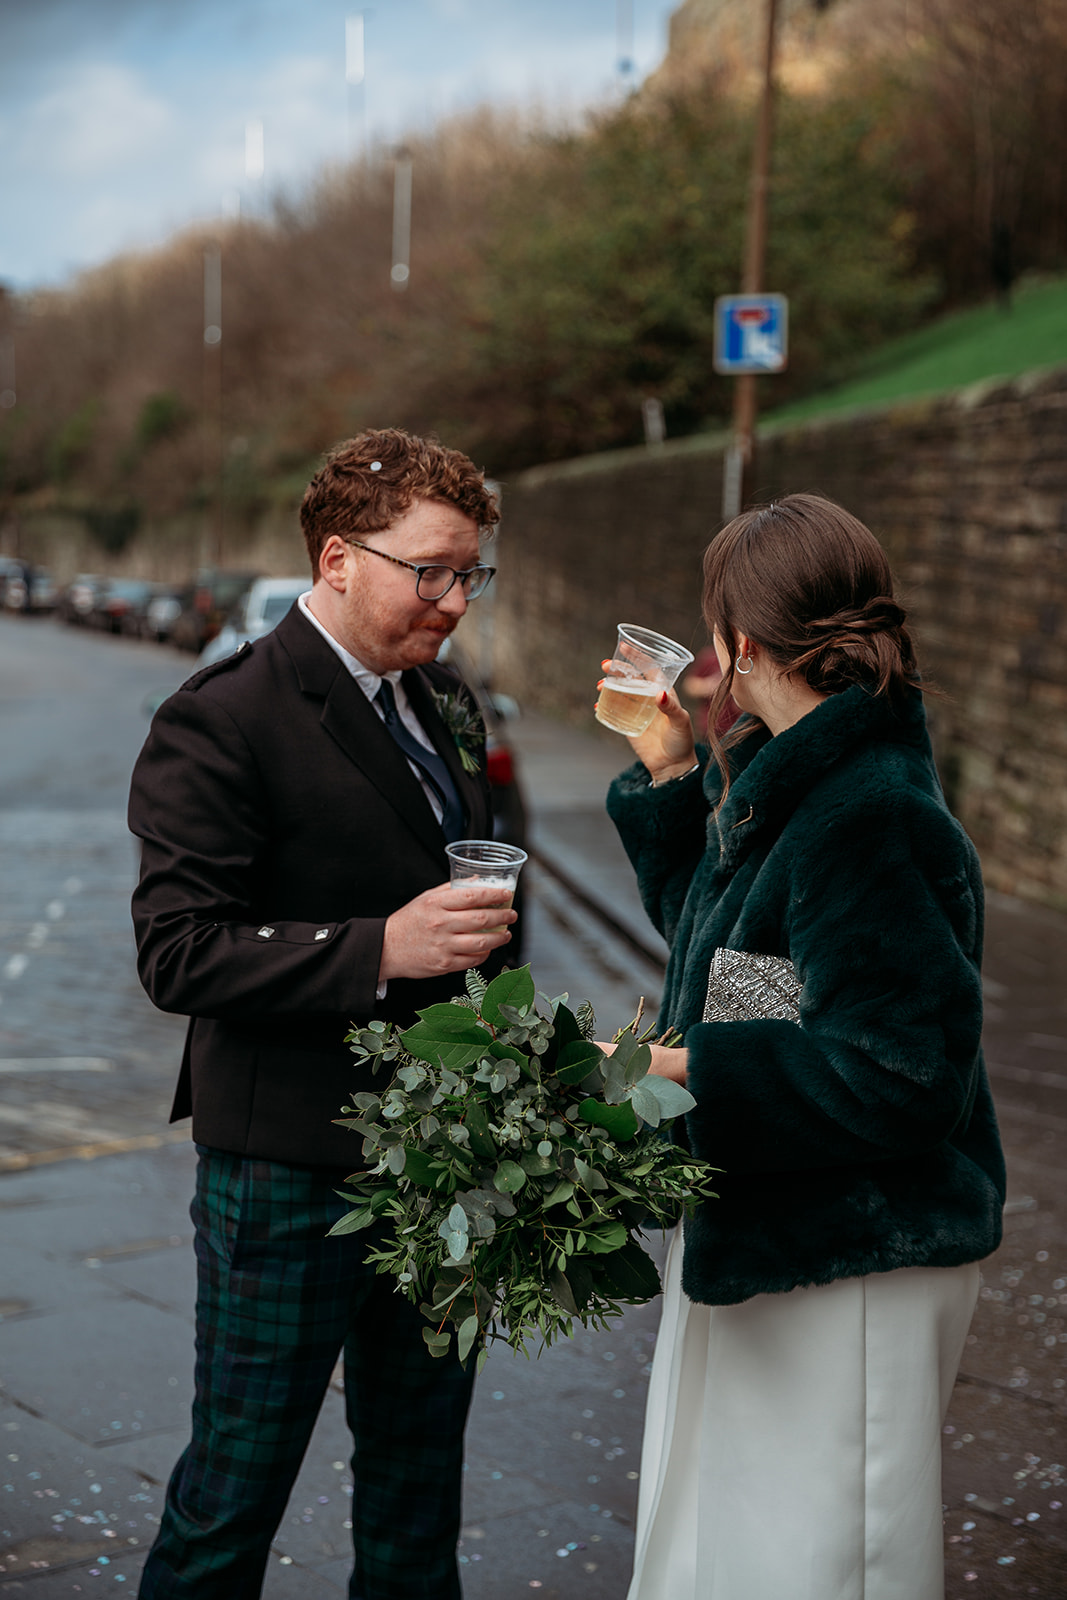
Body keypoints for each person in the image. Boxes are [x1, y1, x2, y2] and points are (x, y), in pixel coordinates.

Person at [127, 428, 517, 1600]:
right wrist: (376, 949)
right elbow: (177, 950)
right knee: (230, 1504)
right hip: (289, 1173)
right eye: (430, 571)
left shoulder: (447, 701)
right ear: (339, 558)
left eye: (469, 574)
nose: (453, 600)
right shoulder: (222, 713)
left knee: (415, 1495)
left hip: (443, 1163)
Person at [603, 494, 1005, 1600]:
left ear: (738, 645)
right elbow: (740, 966)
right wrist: (674, 778)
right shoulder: (791, 776)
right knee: (734, 1555)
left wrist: (682, 1074)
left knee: (817, 1562)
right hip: (780, 1228)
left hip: (850, 1262)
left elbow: (898, 1074)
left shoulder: (864, 809)